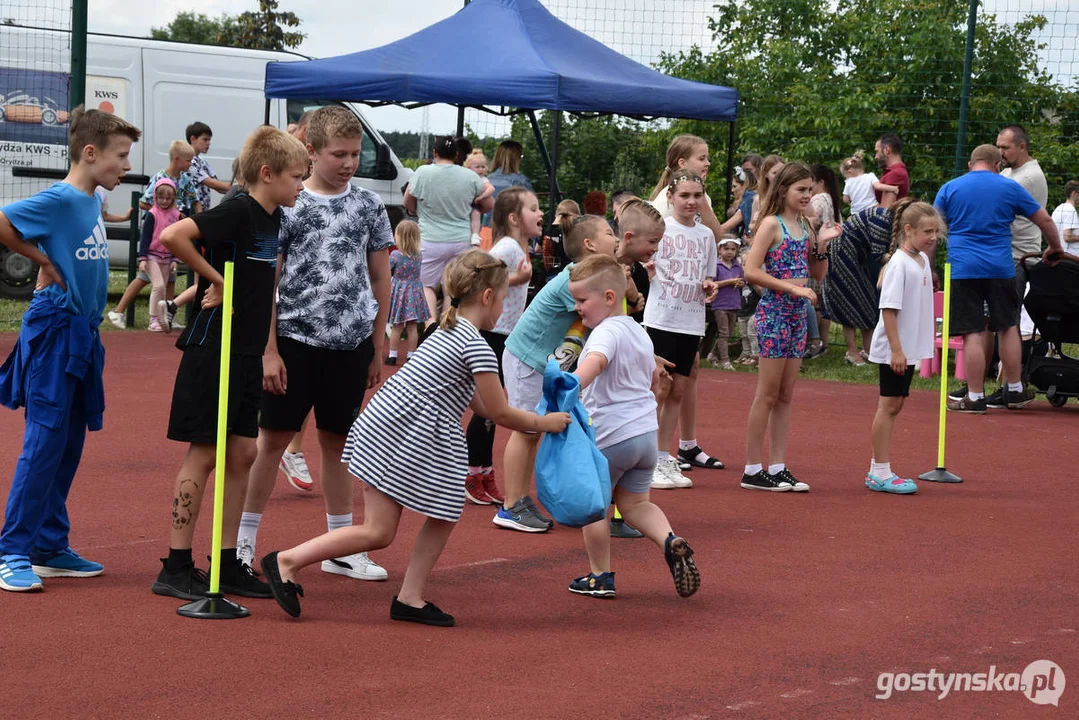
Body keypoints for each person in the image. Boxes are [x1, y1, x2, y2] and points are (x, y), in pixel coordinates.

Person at [259, 250, 572, 626]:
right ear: (487, 297)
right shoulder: (475, 346)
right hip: (403, 433)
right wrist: (547, 422)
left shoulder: (447, 330)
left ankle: (403, 595)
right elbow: (500, 411)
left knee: (410, 520)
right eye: (504, 298)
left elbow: (483, 406)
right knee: (406, 522)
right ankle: (292, 562)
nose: (505, 306)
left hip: (392, 427)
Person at [149, 125, 308, 601]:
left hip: (245, 351)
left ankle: (228, 561)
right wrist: (217, 279)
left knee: (243, 453)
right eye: (297, 176)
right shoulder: (238, 209)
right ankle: (175, 566)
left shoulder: (273, 217)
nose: (302, 185)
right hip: (212, 347)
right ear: (267, 173)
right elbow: (176, 235)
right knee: (204, 452)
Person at [236, 106, 394, 583]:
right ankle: (242, 546)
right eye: (338, 154)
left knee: (339, 444)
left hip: (349, 345)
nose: (348, 162)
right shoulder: (289, 203)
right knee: (272, 443)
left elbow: (380, 276)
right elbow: (269, 279)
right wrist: (268, 349)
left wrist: (377, 339)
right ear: (311, 151)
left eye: (355, 153)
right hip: (293, 341)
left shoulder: (369, 206)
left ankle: (339, 548)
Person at [0, 108, 141, 592]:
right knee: (43, 441)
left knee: (69, 443)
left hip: (84, 332)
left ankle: (48, 546)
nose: (125, 166)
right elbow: (2, 220)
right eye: (120, 157)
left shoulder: (92, 200)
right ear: (90, 153)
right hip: (55, 329)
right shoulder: (61, 198)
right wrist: (41, 259)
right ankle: (11, 550)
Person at [565, 255, 700, 599]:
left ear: (609, 297)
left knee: (596, 506)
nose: (577, 307)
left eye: (582, 300)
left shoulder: (604, 333)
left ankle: (600, 576)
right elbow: (654, 379)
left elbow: (596, 362)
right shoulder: (639, 333)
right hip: (644, 436)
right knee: (637, 503)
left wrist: (570, 384)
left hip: (610, 435)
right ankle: (670, 540)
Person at [498, 216, 621, 532]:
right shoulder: (575, 279)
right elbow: (605, 313)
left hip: (540, 361)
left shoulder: (587, 276)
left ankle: (519, 499)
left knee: (533, 431)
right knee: (526, 428)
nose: (616, 237)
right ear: (590, 245)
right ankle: (511, 505)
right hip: (528, 357)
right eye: (610, 233)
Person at [935, 144, 1061, 413]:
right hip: (1001, 267)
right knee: (1008, 326)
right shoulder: (1010, 187)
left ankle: (975, 396)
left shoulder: (950, 188)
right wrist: (1055, 248)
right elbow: (1045, 221)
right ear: (997, 165)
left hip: (963, 268)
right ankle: (1014, 389)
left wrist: (928, 266)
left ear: (971, 164)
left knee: (972, 332)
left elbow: (933, 229)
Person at [742, 163, 842, 492]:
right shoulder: (771, 224)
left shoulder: (804, 224)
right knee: (767, 394)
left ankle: (779, 464)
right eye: (801, 189)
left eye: (810, 190)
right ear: (783, 190)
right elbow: (752, 271)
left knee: (785, 395)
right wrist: (792, 288)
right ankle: (753, 468)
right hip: (774, 313)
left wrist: (823, 244)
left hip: (798, 315)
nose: (807, 195)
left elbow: (818, 272)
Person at [648, 134, 726, 476]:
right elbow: (639, 256)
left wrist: (710, 286)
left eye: (697, 196)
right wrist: (645, 270)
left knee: (679, 386)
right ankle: (645, 455)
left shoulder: (706, 234)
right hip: (661, 316)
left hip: (690, 320)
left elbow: (708, 271)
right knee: (658, 387)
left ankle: (665, 455)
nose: (693, 201)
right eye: (686, 195)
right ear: (672, 195)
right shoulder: (660, 223)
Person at [464, 187, 542, 507]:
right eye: (533, 208)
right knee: (487, 409)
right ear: (513, 218)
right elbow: (481, 277)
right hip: (492, 334)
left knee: (493, 411)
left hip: (505, 334)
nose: (540, 214)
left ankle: (484, 472)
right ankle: (473, 474)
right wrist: (514, 279)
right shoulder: (508, 247)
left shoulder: (520, 247)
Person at [866, 201, 941, 495]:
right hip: (895, 348)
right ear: (908, 230)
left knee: (896, 405)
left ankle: (879, 469)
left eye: (936, 231)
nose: (933, 237)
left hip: (907, 347)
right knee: (888, 405)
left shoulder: (920, 258)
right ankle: (879, 471)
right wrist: (897, 350)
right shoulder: (899, 263)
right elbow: (889, 310)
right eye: (927, 231)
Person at [105, 141, 199, 330]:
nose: (190, 164)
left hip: (173, 238)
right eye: (188, 161)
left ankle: (168, 316)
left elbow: (194, 200)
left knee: (171, 280)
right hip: (156, 238)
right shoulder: (160, 178)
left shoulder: (185, 179)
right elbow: (143, 202)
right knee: (144, 278)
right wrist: (165, 211)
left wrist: (192, 218)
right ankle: (120, 310)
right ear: (177, 159)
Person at [405, 135, 493, 321]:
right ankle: (446, 327)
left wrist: (416, 210)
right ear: (456, 154)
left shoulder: (422, 172)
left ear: (434, 152)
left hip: (430, 238)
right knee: (450, 288)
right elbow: (489, 204)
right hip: (461, 239)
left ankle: (429, 327)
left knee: (427, 286)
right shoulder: (470, 176)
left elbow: (408, 200)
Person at [822, 205, 895, 366]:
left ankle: (869, 351)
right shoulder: (882, 220)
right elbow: (879, 254)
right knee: (849, 300)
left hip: (858, 256)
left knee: (867, 301)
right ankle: (852, 352)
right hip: (842, 254)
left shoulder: (888, 220)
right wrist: (902, 261)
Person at [805, 164, 845, 358]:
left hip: (818, 252)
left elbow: (813, 217)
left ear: (820, 182)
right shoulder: (832, 200)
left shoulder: (819, 199)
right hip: (830, 253)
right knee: (821, 301)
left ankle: (816, 342)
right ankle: (825, 343)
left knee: (814, 300)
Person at [138, 178, 181, 333]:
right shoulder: (151, 215)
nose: (164, 201)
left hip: (167, 257)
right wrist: (142, 259)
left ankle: (163, 318)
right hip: (151, 256)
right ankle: (153, 319)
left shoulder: (176, 216)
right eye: (160, 198)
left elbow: (177, 239)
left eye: (168, 199)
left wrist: (175, 259)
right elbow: (145, 238)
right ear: (155, 197)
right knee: (159, 286)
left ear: (173, 199)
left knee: (163, 289)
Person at [387, 220, 430, 365]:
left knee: (397, 326)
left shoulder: (395, 255)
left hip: (400, 292)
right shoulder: (418, 255)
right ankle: (411, 356)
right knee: (412, 327)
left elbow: (386, 270)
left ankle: (392, 355)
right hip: (414, 291)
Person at [703, 237, 745, 369]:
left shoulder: (738, 266)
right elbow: (712, 283)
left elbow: (742, 281)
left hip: (734, 303)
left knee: (728, 333)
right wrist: (730, 281)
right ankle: (725, 361)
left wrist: (740, 283)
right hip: (720, 304)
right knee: (724, 333)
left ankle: (712, 354)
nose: (729, 252)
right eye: (726, 249)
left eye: (733, 249)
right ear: (719, 249)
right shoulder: (716, 265)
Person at [186, 121, 233, 213]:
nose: (209, 143)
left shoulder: (202, 162)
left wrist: (233, 189)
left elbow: (218, 185)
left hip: (203, 212)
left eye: (209, 140)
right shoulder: (189, 161)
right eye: (205, 139)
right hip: (192, 212)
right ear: (193, 139)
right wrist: (239, 187)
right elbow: (211, 183)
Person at [542, 199, 580, 279]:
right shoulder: (574, 230)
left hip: (552, 273)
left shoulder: (548, 230)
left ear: (557, 214)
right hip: (572, 272)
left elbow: (537, 249)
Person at [463, 148, 492, 246]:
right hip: (464, 203)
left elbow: (491, 189)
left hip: (474, 203)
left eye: (483, 167)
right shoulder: (465, 177)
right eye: (477, 167)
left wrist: (481, 197)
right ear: (469, 168)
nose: (481, 169)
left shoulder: (483, 179)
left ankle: (475, 234)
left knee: (476, 215)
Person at [874, 134, 910, 209]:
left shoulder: (895, 174)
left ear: (887, 150)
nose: (876, 157)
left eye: (877, 152)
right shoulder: (894, 172)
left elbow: (884, 213)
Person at [1052, 180, 1079, 256]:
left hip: (1059, 254)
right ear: (1074, 194)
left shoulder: (1058, 208)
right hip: (1071, 257)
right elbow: (1067, 237)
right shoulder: (1071, 210)